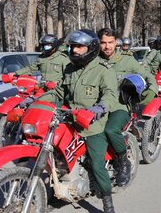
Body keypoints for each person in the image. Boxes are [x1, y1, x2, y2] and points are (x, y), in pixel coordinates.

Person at [38, 29, 119, 212]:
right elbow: (59, 92)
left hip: (93, 125)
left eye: (79, 47)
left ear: (90, 47)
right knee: (53, 149)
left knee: (96, 163)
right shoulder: (69, 69)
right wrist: (36, 100)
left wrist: (99, 108)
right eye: (73, 46)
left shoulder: (103, 70)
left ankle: (107, 202)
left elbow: (110, 94)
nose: (75, 50)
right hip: (71, 120)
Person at [98, 28, 157, 184]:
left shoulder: (127, 60)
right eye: (103, 43)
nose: (107, 47)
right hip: (99, 104)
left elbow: (146, 75)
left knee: (110, 129)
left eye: (110, 42)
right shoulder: (94, 60)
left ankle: (124, 162)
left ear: (116, 42)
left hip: (120, 105)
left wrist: (151, 90)